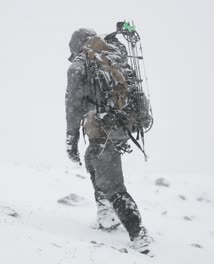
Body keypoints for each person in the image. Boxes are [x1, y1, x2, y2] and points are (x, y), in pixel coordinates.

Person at [65, 28, 154, 256]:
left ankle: (138, 234)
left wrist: (71, 137)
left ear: (75, 46)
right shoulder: (114, 56)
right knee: (92, 160)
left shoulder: (79, 65)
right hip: (124, 124)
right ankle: (107, 215)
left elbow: (73, 105)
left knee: (112, 183)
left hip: (104, 127)